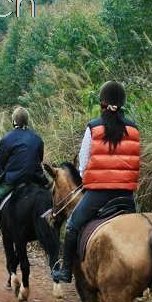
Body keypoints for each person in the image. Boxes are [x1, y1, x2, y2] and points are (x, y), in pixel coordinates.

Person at [52, 81, 140, 283]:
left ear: (102, 102)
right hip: (126, 195)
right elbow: (135, 159)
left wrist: (86, 179)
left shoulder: (93, 127)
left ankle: (65, 272)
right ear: (122, 103)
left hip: (99, 194)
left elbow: (83, 162)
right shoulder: (134, 129)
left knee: (73, 226)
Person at [0, 107, 46, 237]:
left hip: (14, 179)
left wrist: (3, 170)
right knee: (49, 194)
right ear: (27, 121)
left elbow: (0, 162)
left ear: (13, 121)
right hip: (34, 178)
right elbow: (39, 158)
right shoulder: (37, 138)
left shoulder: (6, 139)